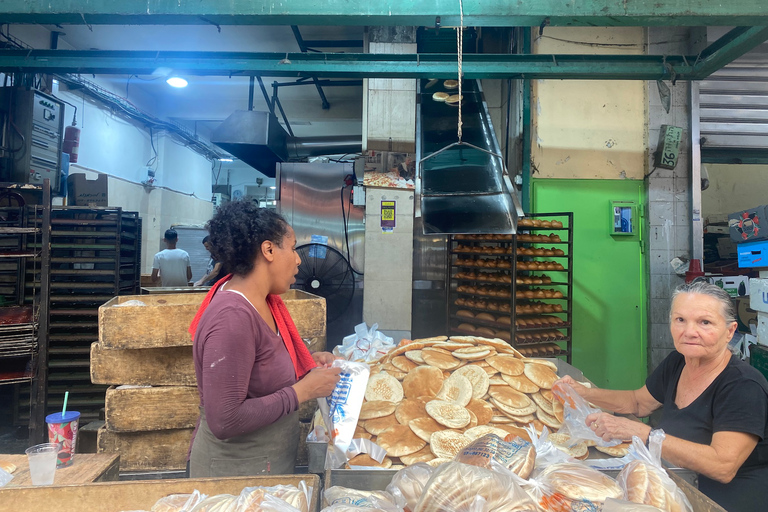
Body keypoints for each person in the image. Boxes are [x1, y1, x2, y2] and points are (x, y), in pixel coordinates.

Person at [555, 281, 768, 512]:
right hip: (676, 487)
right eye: (680, 320)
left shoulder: (743, 385)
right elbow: (638, 402)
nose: (689, 332)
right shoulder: (678, 362)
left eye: (704, 322)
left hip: (722, 502)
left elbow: (722, 466)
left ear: (730, 331)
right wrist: (584, 392)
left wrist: (642, 433)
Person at [187, 201, 341, 477]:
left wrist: (305, 363)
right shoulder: (232, 317)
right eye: (292, 248)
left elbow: (260, 368)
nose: (298, 259)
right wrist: (304, 390)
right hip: (234, 480)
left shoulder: (264, 304)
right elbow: (225, 419)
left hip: (264, 471)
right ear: (268, 250)